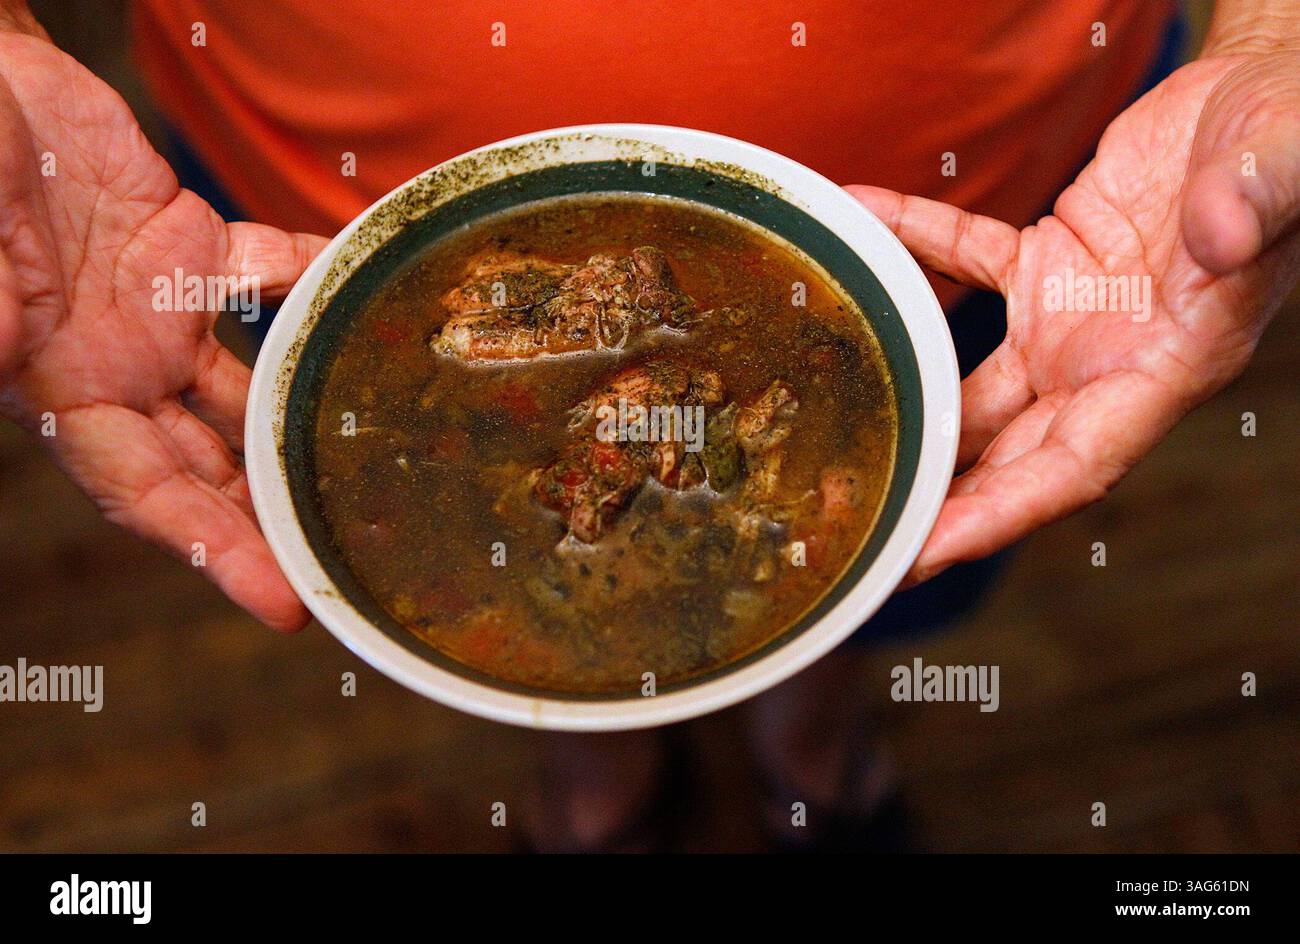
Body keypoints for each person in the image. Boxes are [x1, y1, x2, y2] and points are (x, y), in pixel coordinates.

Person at [0, 0, 1296, 850]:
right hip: (317, 204)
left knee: (894, 538)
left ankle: (818, 754)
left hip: (992, 210)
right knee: (472, 554)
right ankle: (592, 783)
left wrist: (1270, 41)